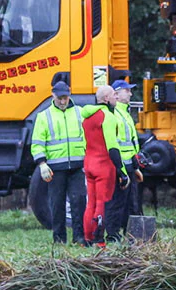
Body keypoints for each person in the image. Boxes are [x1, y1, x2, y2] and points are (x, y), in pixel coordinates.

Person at [30, 80, 87, 244]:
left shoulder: (79, 113)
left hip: (77, 165)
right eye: (60, 98)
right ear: (53, 95)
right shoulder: (44, 116)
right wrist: (41, 163)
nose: (63, 102)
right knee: (57, 204)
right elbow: (38, 142)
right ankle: (59, 238)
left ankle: (79, 237)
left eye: (65, 98)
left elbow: (87, 138)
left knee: (79, 201)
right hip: (55, 168)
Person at [80, 85, 129, 247]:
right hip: (103, 165)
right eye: (114, 95)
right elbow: (112, 147)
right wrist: (122, 172)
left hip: (89, 163)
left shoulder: (87, 116)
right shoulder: (107, 116)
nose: (116, 97)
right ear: (106, 99)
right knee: (102, 203)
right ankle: (99, 240)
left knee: (90, 203)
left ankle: (87, 238)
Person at [103, 79, 142, 241]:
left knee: (129, 203)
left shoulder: (124, 113)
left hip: (128, 165)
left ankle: (129, 233)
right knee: (116, 202)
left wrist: (135, 165)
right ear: (117, 95)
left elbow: (130, 144)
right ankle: (112, 234)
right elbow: (114, 144)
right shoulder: (115, 115)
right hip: (119, 166)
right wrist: (120, 168)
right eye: (127, 90)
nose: (131, 94)